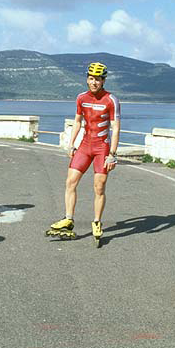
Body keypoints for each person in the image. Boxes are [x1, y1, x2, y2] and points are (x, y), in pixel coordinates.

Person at [46, 62, 120, 246]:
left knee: (99, 187)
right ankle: (68, 218)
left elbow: (116, 128)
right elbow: (77, 122)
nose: (94, 82)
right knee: (70, 181)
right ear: (87, 79)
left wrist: (113, 154)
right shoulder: (81, 98)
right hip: (85, 145)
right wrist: (71, 144)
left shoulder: (111, 100)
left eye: (98, 79)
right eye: (91, 78)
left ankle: (96, 222)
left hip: (102, 148)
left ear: (103, 81)